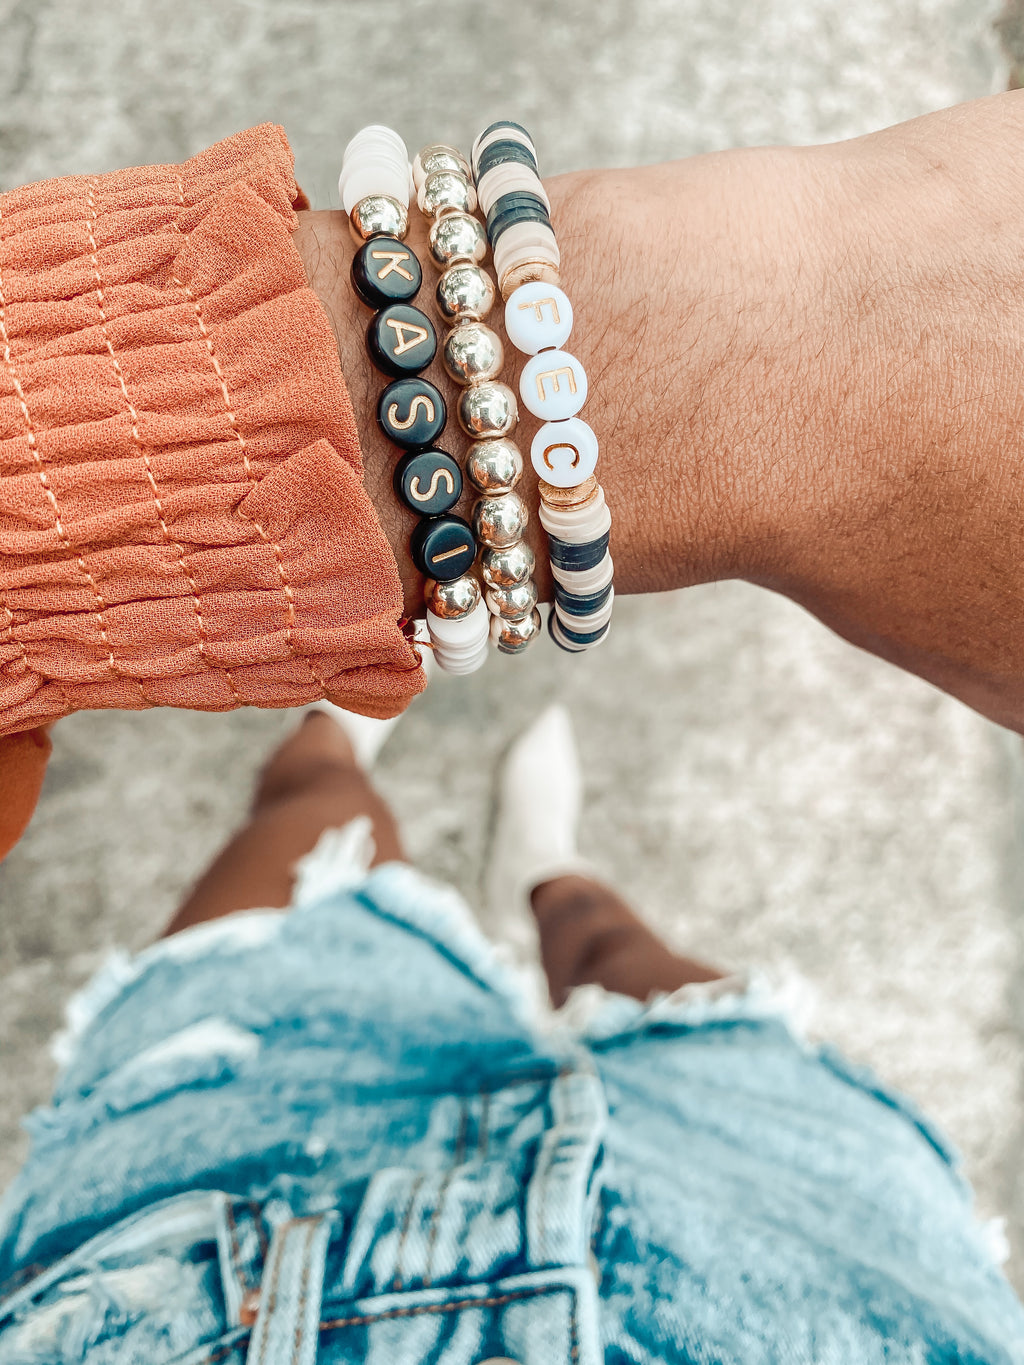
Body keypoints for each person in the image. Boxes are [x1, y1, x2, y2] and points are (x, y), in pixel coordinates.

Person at [2, 91, 1024, 1357]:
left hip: (204, 1226)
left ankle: (330, 748)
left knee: (318, 831)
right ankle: (548, 873)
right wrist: (783, 336)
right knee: (613, 950)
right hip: (820, 1255)